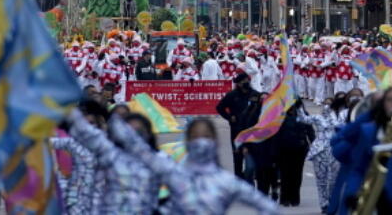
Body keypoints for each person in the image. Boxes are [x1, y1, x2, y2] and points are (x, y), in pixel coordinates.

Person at [108, 115, 278, 213]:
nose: (201, 142)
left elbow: (269, 208)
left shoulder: (227, 182)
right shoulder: (173, 171)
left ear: (215, 141)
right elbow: (137, 147)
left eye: (206, 136)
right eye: (195, 137)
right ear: (187, 141)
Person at [329, 86, 392, 215]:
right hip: (374, 194)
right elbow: (357, 168)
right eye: (389, 100)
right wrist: (352, 193)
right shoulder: (368, 130)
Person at [296, 93, 346, 207]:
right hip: (319, 151)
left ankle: (331, 200)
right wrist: (299, 106)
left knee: (332, 179)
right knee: (321, 180)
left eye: (329, 104)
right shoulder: (317, 118)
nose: (327, 106)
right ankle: (323, 203)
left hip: (334, 150)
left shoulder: (340, 117)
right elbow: (303, 119)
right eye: (325, 104)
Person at [215, 72, 260, 177]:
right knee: (238, 158)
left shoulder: (255, 95)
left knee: (252, 161)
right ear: (238, 84)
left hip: (252, 132)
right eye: (243, 82)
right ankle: (238, 181)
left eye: (247, 80)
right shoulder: (232, 95)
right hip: (237, 131)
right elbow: (219, 108)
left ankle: (249, 181)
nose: (246, 83)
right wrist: (229, 118)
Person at [274, 101, 313, 207]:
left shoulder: (303, 114)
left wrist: (314, 145)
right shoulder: (279, 115)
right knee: (285, 174)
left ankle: (295, 198)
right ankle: (284, 198)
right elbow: (275, 133)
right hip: (284, 149)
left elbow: (310, 131)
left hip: (299, 149)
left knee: (297, 174)